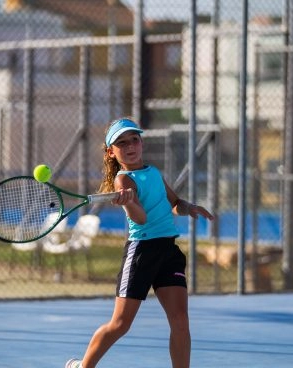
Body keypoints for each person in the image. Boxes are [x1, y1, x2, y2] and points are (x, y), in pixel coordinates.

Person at [65, 118, 214, 368]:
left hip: (168, 251)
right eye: (122, 143)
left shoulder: (153, 172)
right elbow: (142, 219)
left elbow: (173, 203)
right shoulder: (123, 181)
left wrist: (188, 207)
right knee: (120, 324)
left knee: (180, 322)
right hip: (141, 253)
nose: (130, 146)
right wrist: (130, 203)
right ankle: (83, 366)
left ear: (141, 142)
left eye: (134, 139)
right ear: (111, 152)